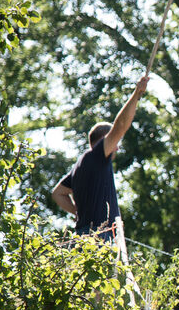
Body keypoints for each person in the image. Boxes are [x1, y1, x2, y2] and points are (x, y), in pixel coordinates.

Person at [51, 75, 150, 242]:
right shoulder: (95, 156)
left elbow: (57, 193)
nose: (117, 146)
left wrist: (78, 212)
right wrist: (136, 93)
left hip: (82, 237)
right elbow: (120, 126)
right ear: (103, 140)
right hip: (99, 238)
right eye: (114, 140)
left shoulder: (81, 166)